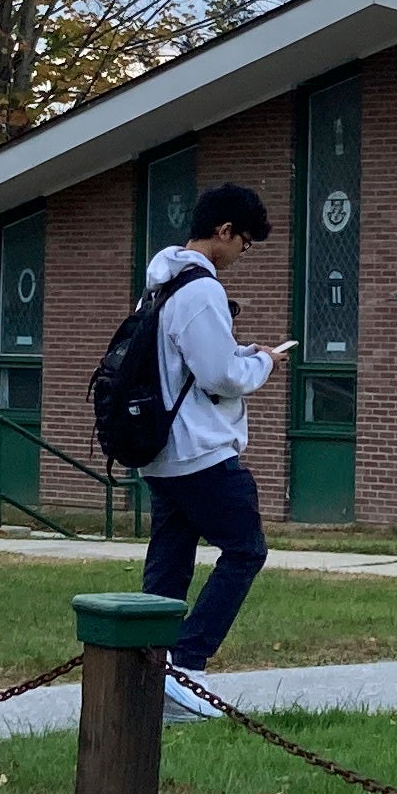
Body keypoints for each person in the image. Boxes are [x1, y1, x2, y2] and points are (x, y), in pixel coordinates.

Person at [132, 183, 293, 712]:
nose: (243, 253)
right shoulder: (202, 290)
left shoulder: (159, 285)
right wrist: (263, 363)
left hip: (160, 452)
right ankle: (187, 666)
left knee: (170, 562)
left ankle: (147, 673)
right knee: (246, 550)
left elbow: (186, 363)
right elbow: (220, 377)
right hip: (201, 451)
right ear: (223, 231)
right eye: (244, 242)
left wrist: (243, 352)